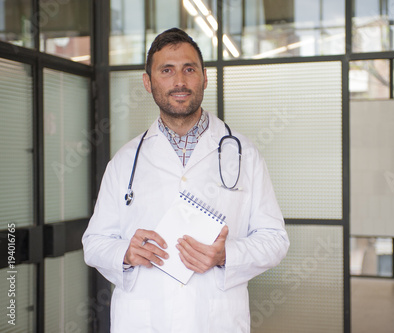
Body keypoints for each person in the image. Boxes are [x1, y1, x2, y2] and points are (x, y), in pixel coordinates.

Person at [82, 28, 289, 332]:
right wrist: (125, 252)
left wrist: (226, 255)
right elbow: (94, 243)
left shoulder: (244, 154)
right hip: (143, 321)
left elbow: (275, 239)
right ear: (148, 81)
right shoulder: (124, 161)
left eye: (189, 69)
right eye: (166, 70)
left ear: (204, 77)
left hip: (216, 321)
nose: (179, 81)